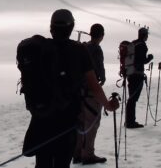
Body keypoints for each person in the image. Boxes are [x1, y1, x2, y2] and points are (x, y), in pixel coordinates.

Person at [24, 10, 119, 168]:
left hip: (41, 119)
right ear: (71, 27)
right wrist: (108, 105)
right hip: (66, 121)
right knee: (62, 162)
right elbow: (94, 85)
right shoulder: (78, 50)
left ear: (51, 28)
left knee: (43, 163)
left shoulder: (40, 48)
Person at [75, 23, 108, 164]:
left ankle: (77, 154)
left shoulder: (83, 47)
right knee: (92, 123)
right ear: (101, 35)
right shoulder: (96, 49)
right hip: (90, 91)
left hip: (79, 91)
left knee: (80, 123)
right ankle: (88, 155)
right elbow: (99, 70)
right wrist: (102, 78)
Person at [125, 27, 153, 128]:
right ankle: (130, 122)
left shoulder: (133, 43)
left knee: (131, 98)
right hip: (137, 74)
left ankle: (129, 120)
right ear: (145, 35)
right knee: (133, 98)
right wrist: (149, 58)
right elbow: (141, 61)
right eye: (147, 35)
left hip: (130, 74)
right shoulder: (142, 46)